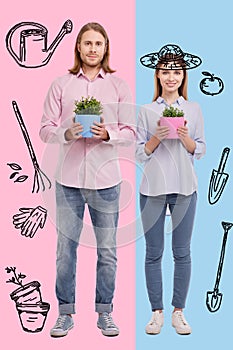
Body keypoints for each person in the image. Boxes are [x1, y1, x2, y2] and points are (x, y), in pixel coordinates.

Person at [40, 22, 135, 338]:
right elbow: (44, 128)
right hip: (68, 181)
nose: (93, 49)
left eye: (99, 43)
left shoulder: (119, 86)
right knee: (65, 250)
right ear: (78, 47)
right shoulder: (61, 85)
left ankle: (104, 313)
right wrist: (66, 133)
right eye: (87, 43)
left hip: (107, 180)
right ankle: (65, 313)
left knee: (107, 250)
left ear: (106, 48)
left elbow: (133, 132)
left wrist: (108, 134)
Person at [136, 44, 206, 335]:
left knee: (182, 251)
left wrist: (186, 138)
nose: (171, 77)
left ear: (183, 75)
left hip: (185, 188)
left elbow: (200, 151)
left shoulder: (193, 109)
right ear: (157, 75)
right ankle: (157, 313)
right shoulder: (147, 110)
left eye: (177, 71)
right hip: (153, 187)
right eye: (165, 71)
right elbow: (138, 153)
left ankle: (179, 311)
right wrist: (156, 138)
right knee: (153, 252)